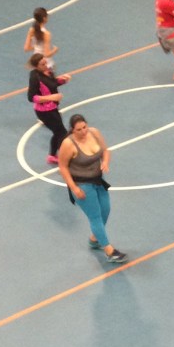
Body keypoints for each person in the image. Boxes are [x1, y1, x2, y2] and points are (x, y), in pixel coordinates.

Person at [57, 113, 126, 263]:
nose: (83, 131)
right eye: (79, 129)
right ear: (72, 130)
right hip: (82, 185)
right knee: (95, 217)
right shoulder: (68, 144)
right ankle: (109, 251)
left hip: (98, 180)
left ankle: (95, 239)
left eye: (84, 127)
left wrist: (105, 162)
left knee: (105, 211)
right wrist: (74, 188)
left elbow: (105, 150)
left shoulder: (94, 133)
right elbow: (62, 167)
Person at [27, 51, 70, 165]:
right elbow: (32, 97)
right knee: (62, 132)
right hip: (44, 112)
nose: (46, 65)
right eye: (42, 64)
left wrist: (63, 80)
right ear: (36, 66)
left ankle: (52, 156)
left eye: (45, 62)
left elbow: (53, 83)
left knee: (58, 132)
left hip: (53, 108)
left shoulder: (48, 72)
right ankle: (64, 155)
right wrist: (51, 97)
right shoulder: (35, 77)